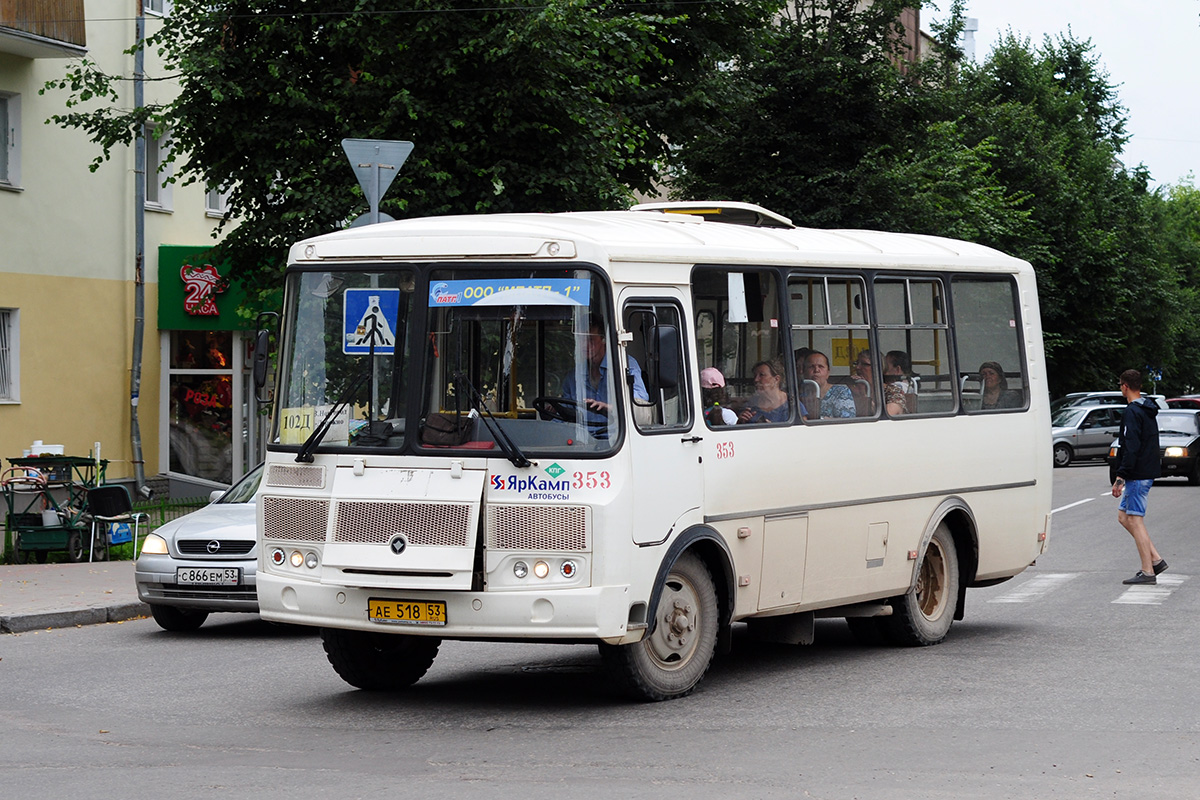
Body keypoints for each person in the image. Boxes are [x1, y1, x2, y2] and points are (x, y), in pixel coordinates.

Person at [1112, 369, 1167, 585]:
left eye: (1120, 385)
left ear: (1125, 386)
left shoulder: (1132, 412)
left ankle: (1148, 572)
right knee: (1124, 518)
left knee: (1135, 519)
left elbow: (1131, 445)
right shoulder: (1147, 409)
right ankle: (1156, 560)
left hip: (1138, 474)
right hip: (1144, 471)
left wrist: (1121, 476)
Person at [561, 318, 649, 427]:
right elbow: (566, 412)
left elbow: (640, 400)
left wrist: (611, 408)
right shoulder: (573, 376)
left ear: (604, 339)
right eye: (580, 339)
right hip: (583, 439)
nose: (584, 344)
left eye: (590, 339)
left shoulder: (624, 364)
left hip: (617, 437)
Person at [803, 351, 855, 419]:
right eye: (811, 367)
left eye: (821, 366)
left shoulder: (841, 392)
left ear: (828, 372)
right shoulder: (799, 392)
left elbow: (847, 420)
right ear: (804, 372)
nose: (816, 370)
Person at [852, 349, 905, 416]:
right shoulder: (852, 391)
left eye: (864, 364)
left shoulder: (893, 392)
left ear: (877, 368)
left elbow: (887, 416)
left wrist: (863, 395)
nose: (858, 367)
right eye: (857, 363)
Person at [737, 359, 791, 424]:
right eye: (755, 376)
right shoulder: (750, 405)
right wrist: (741, 421)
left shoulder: (792, 404)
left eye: (761, 375)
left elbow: (801, 430)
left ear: (776, 379)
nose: (756, 380)